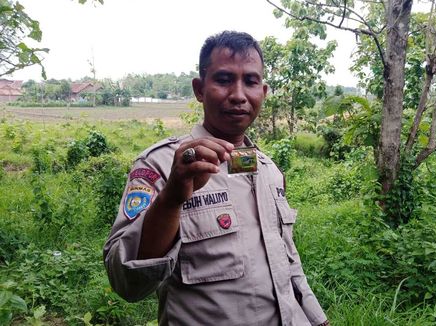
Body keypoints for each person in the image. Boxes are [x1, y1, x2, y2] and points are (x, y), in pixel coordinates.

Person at [103, 31, 329, 326]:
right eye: (223, 79)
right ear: (199, 89)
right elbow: (126, 281)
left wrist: (316, 317)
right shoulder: (161, 164)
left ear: (263, 91)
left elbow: (286, 260)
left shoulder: (269, 170)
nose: (238, 95)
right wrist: (172, 197)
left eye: (250, 81)